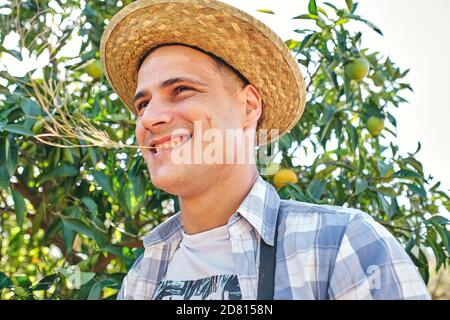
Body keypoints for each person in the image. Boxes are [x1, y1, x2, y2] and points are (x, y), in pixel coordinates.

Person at [99, 0, 430, 300]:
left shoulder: (341, 246)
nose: (151, 117)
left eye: (181, 90)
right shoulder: (142, 276)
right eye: (142, 104)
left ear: (248, 106)